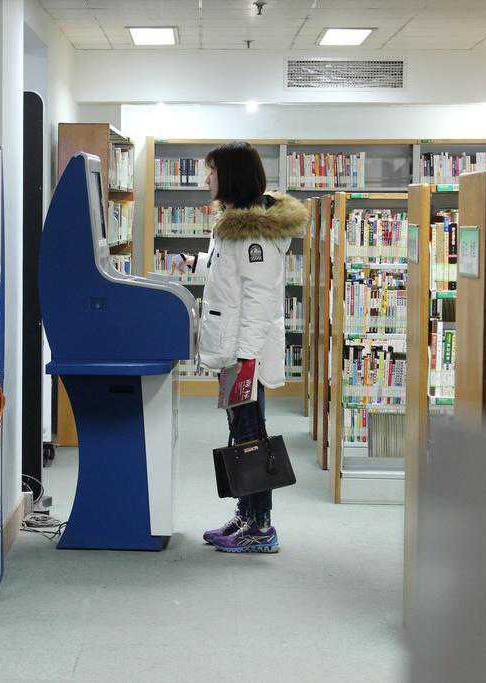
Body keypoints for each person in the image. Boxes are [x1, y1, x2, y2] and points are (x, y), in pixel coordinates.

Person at [184, 141, 309, 554]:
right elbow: (230, 275)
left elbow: (259, 300)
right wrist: (196, 262)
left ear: (232, 176)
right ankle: (246, 514)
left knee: (251, 434)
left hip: (244, 353)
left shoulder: (253, 232)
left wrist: (246, 360)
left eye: (213, 171)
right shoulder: (234, 225)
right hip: (234, 350)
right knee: (241, 430)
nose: (207, 178)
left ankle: (261, 526)